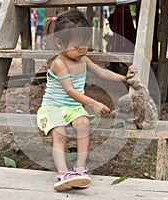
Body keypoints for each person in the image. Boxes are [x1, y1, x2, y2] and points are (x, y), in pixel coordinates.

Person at [37, 9, 137, 191]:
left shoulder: (83, 58)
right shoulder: (59, 63)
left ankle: (80, 170)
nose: (82, 49)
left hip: (73, 108)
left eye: (85, 45)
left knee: (84, 125)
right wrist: (93, 103)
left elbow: (102, 72)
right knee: (59, 134)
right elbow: (70, 91)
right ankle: (63, 173)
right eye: (77, 46)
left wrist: (124, 78)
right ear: (60, 43)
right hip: (53, 107)